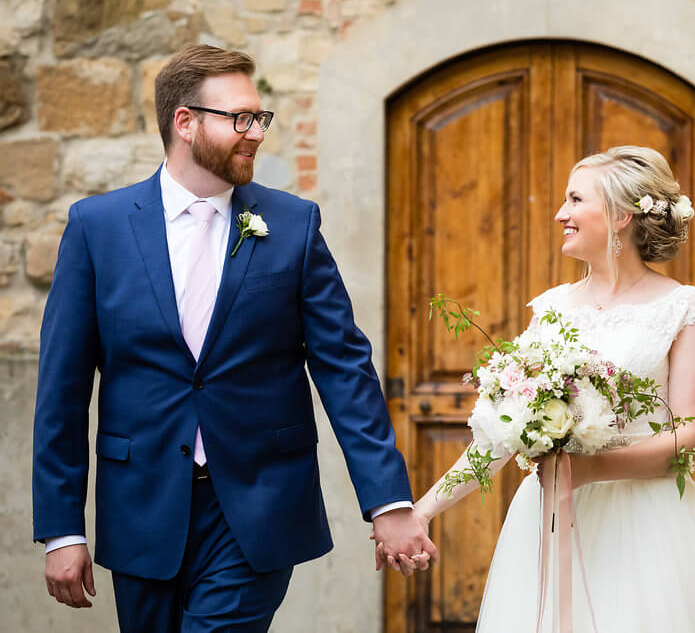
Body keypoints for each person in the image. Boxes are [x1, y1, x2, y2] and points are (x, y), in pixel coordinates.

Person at [32, 44, 436, 632]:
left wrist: (388, 502)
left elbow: (344, 367)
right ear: (185, 122)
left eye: (259, 118)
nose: (255, 133)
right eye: (240, 118)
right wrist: (63, 527)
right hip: (141, 502)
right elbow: (61, 390)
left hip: (258, 504)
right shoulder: (98, 227)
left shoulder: (293, 225)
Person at [405, 146, 695, 631]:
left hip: (648, 524)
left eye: (576, 200)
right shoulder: (552, 309)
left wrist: (589, 468)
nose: (561, 214)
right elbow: (499, 435)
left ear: (620, 215)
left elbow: (690, 434)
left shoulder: (682, 308)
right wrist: (422, 512)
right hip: (546, 517)